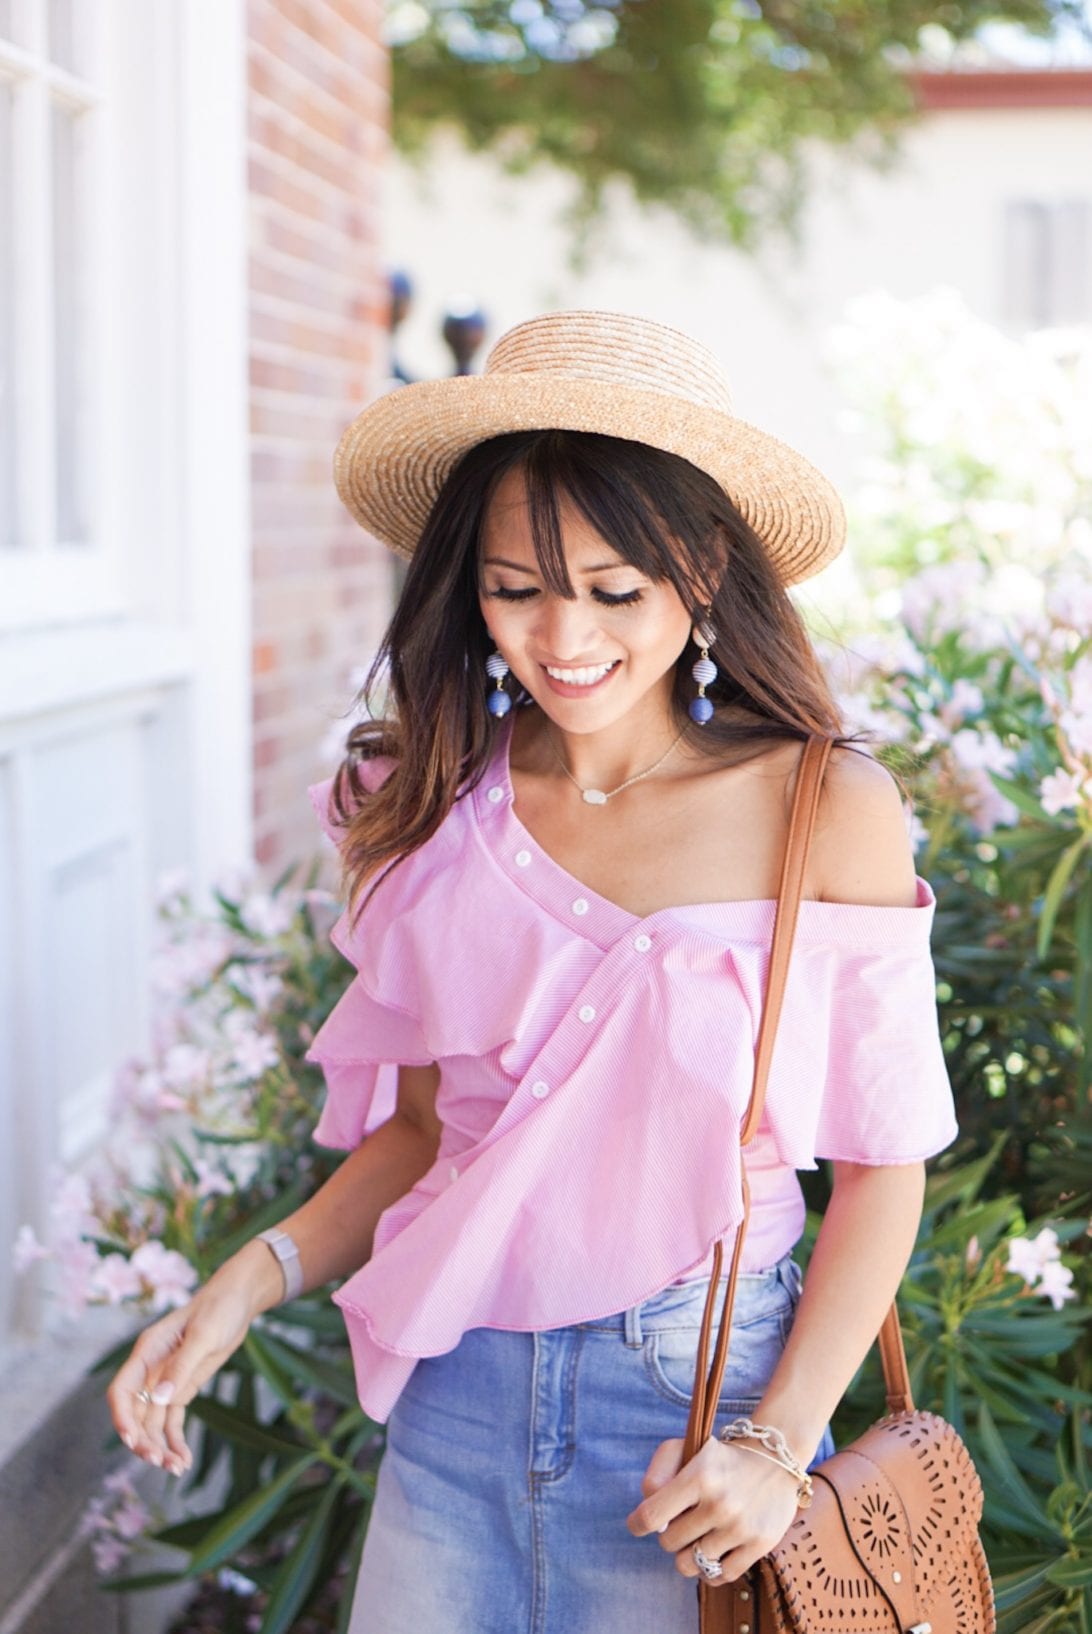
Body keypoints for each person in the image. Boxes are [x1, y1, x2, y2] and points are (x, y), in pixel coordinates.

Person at [107, 309, 959, 1632]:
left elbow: (883, 1169)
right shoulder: (424, 797)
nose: (561, 636)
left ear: (704, 571)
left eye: (615, 589)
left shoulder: (822, 806)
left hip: (694, 1417)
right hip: (457, 1398)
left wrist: (782, 1444)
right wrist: (250, 1276)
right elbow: (428, 1136)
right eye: (516, 586)